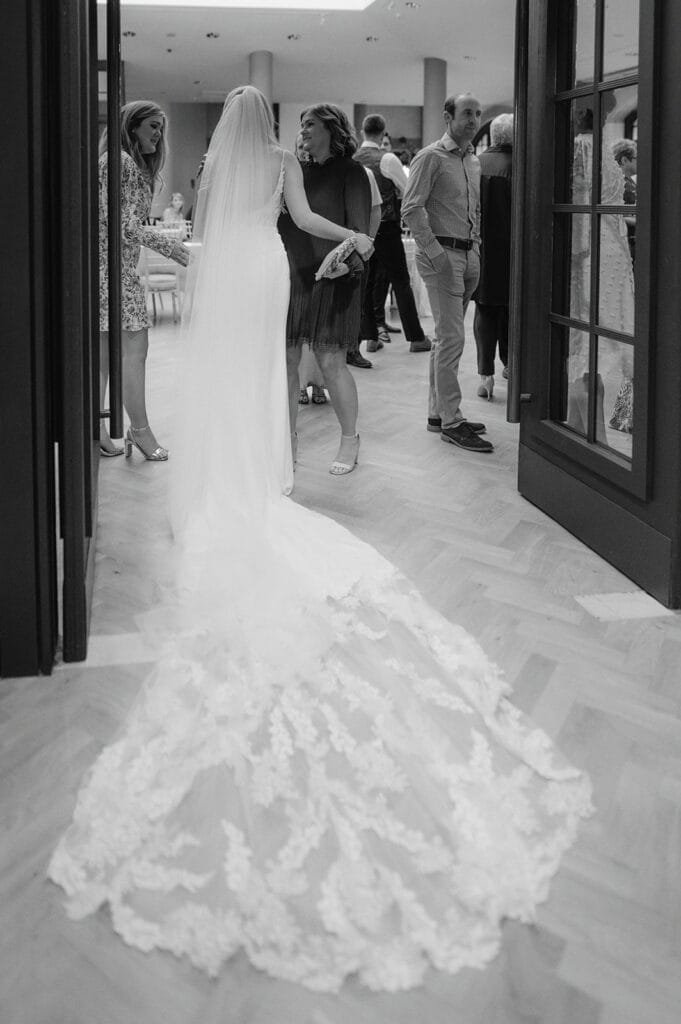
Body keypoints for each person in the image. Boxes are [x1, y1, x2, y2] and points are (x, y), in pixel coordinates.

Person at [49, 86, 592, 994]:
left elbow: (197, 225)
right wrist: (350, 242)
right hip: (264, 268)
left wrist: (278, 242)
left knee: (223, 377)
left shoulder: (217, 165)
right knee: (265, 373)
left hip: (227, 270)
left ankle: (227, 476)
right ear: (273, 126)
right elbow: (302, 222)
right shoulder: (283, 167)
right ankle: (268, 474)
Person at [280, 104, 372, 474]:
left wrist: (343, 266)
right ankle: (287, 442)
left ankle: (350, 439)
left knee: (330, 362)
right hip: (293, 277)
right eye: (301, 124)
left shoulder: (352, 172)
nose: (303, 130)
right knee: (287, 362)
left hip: (334, 278)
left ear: (332, 129)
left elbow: (360, 230)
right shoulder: (293, 171)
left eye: (311, 124)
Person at [402, 93, 494, 453]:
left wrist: (478, 249)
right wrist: (436, 254)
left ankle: (437, 414)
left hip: (470, 255)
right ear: (448, 117)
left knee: (445, 339)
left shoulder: (473, 162)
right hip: (443, 255)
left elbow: (476, 210)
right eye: (467, 113)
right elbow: (412, 209)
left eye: (477, 113)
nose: (473, 119)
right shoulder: (430, 157)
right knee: (453, 339)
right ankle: (452, 421)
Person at [98, 100, 190, 459]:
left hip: (107, 270)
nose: (159, 133)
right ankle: (139, 431)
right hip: (115, 273)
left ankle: (99, 428)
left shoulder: (113, 162)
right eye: (152, 125)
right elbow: (124, 226)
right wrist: (168, 244)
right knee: (134, 353)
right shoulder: (121, 163)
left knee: (106, 357)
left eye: (160, 127)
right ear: (132, 127)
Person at [567, 109, 635, 439]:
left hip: (611, 250)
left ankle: (585, 426)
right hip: (592, 253)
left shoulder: (601, 147)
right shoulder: (583, 147)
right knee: (592, 340)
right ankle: (590, 429)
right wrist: (578, 254)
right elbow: (580, 199)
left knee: (603, 338)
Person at [354, 113, 433, 354]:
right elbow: (407, 190)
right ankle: (416, 337)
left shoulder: (353, 159)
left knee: (365, 283)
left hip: (361, 229)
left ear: (362, 132)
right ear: (383, 132)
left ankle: (370, 337)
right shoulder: (387, 159)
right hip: (386, 227)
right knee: (400, 281)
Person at [473, 113, 514, 401]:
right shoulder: (519, 166)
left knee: (485, 311)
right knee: (512, 311)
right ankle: (511, 364)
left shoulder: (474, 165)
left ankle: (485, 375)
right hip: (513, 251)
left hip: (480, 251)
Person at [611, 138, 637, 263]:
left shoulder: (629, 181)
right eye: (637, 158)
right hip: (624, 240)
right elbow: (616, 214)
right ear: (624, 160)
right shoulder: (618, 183)